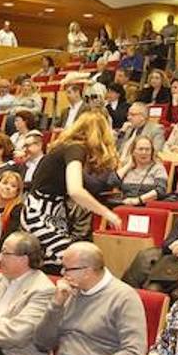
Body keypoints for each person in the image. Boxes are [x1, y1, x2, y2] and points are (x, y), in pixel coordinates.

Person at [23, 242, 147, 355]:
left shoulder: (124, 297)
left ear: (87, 271)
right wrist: (56, 305)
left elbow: (133, 354)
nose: (62, 274)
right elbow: (42, 343)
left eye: (67, 269)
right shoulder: (70, 292)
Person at [21, 109, 122, 265]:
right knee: (74, 261)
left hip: (52, 210)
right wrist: (108, 214)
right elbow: (76, 191)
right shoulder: (76, 149)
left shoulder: (67, 147)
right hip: (40, 211)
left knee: (58, 262)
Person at [116, 135, 169, 205]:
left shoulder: (158, 168)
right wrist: (128, 166)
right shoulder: (127, 168)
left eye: (147, 149)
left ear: (152, 152)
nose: (144, 152)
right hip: (125, 205)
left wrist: (138, 200)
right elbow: (112, 183)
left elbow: (160, 191)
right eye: (140, 149)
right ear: (133, 151)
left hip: (147, 206)